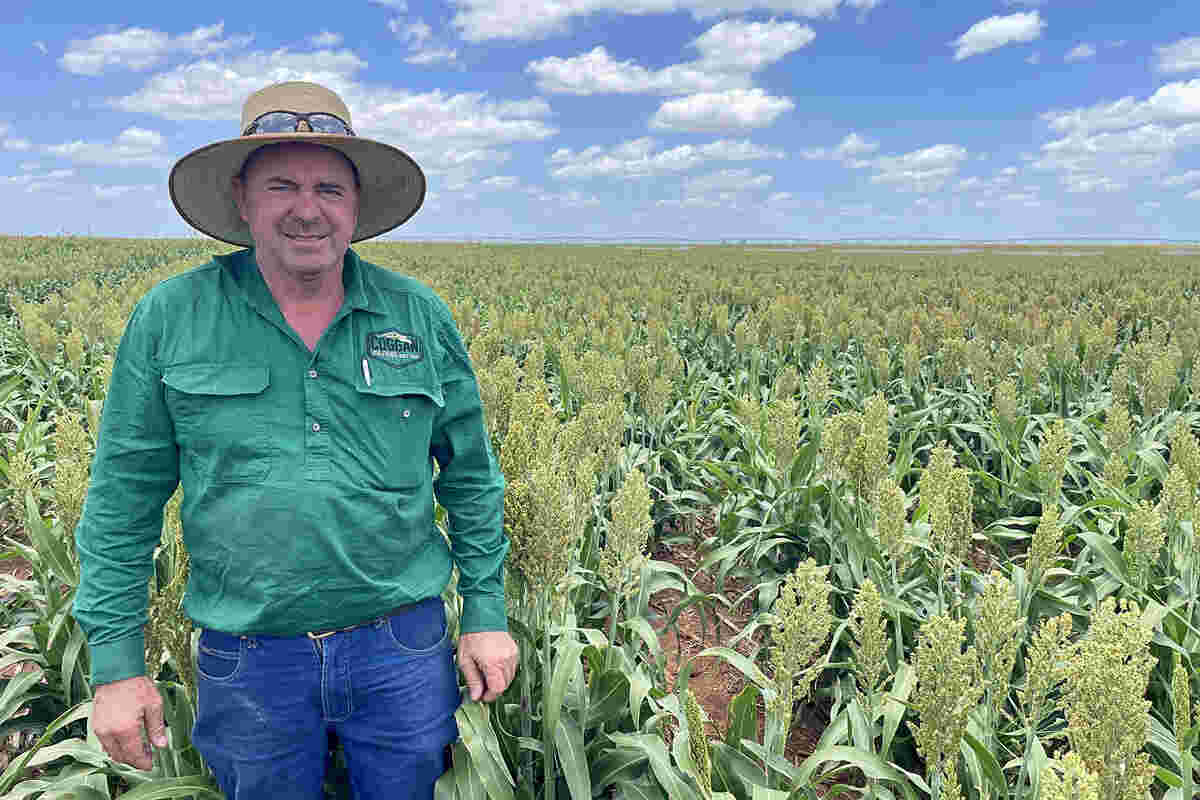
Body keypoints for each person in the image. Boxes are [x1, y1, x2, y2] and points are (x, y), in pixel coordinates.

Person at [72, 81, 518, 800]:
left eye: (329, 189)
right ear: (242, 199)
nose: (307, 208)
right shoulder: (172, 316)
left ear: (356, 207)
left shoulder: (418, 314)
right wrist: (117, 665)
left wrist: (487, 613)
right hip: (249, 658)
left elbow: (471, 477)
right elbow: (122, 497)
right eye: (282, 184)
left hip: (401, 647)